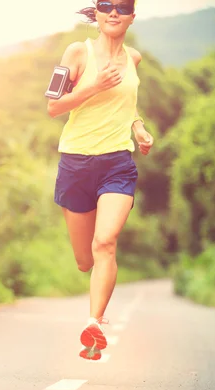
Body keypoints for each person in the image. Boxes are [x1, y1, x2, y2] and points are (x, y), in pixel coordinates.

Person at [46, 0, 153, 360]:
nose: (113, 12)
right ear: (97, 11)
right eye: (106, 4)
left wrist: (138, 128)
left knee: (105, 242)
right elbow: (53, 106)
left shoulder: (134, 59)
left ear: (131, 17)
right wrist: (95, 85)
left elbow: (127, 104)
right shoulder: (78, 52)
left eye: (121, 7)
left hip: (117, 164)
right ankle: (93, 298)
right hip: (75, 163)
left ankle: (94, 323)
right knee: (84, 259)